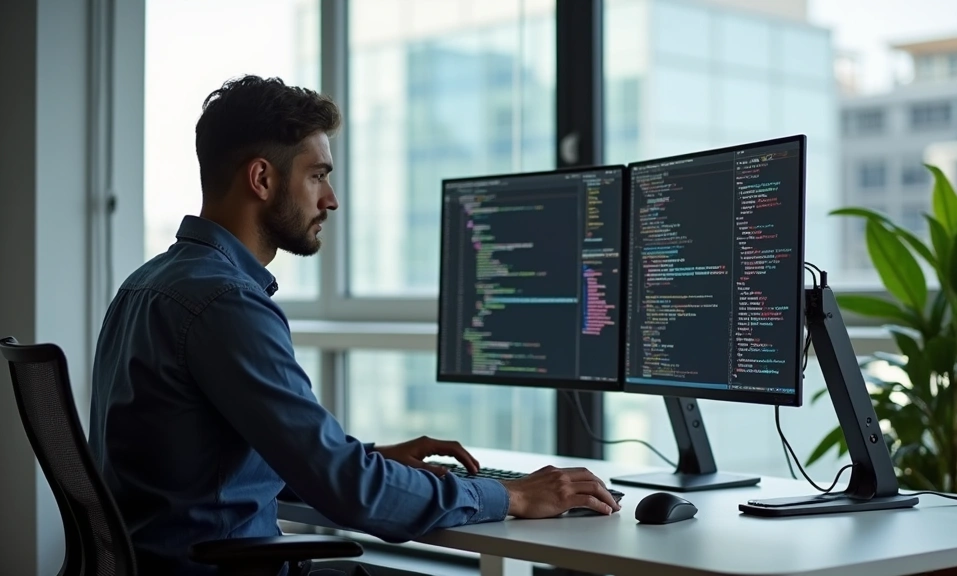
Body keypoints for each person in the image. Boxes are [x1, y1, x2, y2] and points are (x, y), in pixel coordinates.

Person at [88, 74, 621, 576]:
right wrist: (515, 496)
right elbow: (349, 492)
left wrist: (367, 459)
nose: (331, 199)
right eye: (317, 175)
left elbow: (211, 461)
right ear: (262, 178)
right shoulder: (226, 303)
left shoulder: (147, 284)